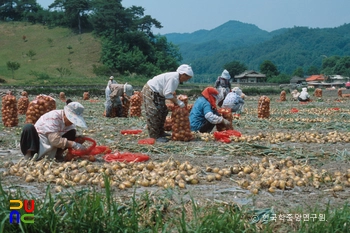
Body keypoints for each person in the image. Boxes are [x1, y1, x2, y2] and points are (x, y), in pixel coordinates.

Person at [20, 102, 88, 161]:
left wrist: (78, 139)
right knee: (28, 128)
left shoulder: (70, 124)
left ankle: (57, 155)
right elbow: (54, 140)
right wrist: (73, 144)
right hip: (38, 144)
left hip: (52, 147)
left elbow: (67, 136)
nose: (72, 122)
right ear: (65, 114)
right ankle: (28, 157)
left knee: (72, 132)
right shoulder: (53, 117)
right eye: (71, 119)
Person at [142, 64, 193, 142]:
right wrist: (178, 102)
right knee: (154, 112)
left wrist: (176, 100)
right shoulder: (174, 78)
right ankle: (154, 136)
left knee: (163, 111)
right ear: (183, 74)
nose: (186, 80)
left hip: (158, 93)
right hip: (151, 90)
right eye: (187, 78)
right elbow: (168, 95)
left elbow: (168, 93)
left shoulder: (176, 78)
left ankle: (160, 132)